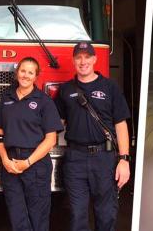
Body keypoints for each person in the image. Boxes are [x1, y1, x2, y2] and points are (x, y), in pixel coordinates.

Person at [55, 42, 131, 231]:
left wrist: (124, 160)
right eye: (79, 57)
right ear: (73, 61)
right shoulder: (65, 90)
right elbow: (57, 124)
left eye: (87, 57)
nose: (83, 62)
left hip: (104, 159)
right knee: (76, 215)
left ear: (95, 59)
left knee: (106, 215)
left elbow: (120, 125)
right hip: (75, 159)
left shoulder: (110, 87)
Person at [0, 57, 63, 231]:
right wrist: (5, 160)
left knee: (38, 218)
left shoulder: (44, 101)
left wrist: (28, 162)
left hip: (36, 164)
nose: (25, 75)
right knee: (17, 217)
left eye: (30, 72)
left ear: (36, 76)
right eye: (23, 71)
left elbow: (51, 139)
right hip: (10, 164)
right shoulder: (6, 98)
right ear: (17, 73)